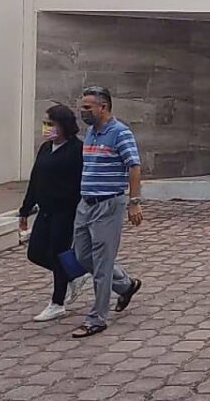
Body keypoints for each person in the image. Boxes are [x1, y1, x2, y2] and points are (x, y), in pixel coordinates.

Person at [70, 86, 144, 339]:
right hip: (86, 203)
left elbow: (134, 166)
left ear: (103, 107)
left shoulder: (120, 133)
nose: (82, 112)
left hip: (108, 204)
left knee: (102, 264)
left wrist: (134, 202)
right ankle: (125, 285)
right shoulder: (91, 132)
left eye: (87, 107)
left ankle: (97, 318)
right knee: (82, 255)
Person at [18, 104, 86, 322]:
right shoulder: (46, 148)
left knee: (58, 253)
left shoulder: (76, 150)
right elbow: (35, 179)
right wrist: (25, 209)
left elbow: (80, 183)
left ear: (64, 125)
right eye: (45, 123)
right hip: (45, 210)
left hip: (65, 211)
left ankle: (57, 303)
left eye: (51, 124)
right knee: (36, 252)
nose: (47, 128)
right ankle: (73, 274)